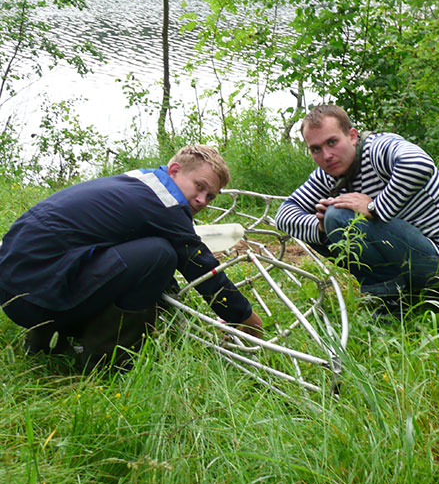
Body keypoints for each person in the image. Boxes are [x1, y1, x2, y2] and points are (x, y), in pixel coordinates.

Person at [0, 145, 263, 369]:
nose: (202, 200)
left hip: (18, 284)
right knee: (159, 255)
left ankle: (45, 339)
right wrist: (244, 317)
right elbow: (200, 266)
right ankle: (102, 359)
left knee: (149, 252)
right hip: (36, 296)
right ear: (174, 171)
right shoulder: (168, 204)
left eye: (210, 196)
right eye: (199, 186)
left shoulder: (141, 183)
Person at [275, 105, 439, 317]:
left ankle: (409, 297)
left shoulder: (378, 149)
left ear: (351, 136)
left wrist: (373, 207)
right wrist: (320, 226)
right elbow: (284, 216)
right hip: (409, 255)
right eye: (316, 149)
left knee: (337, 215)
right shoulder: (327, 174)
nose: (327, 155)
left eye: (332, 142)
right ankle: (394, 295)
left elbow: (419, 163)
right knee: (326, 221)